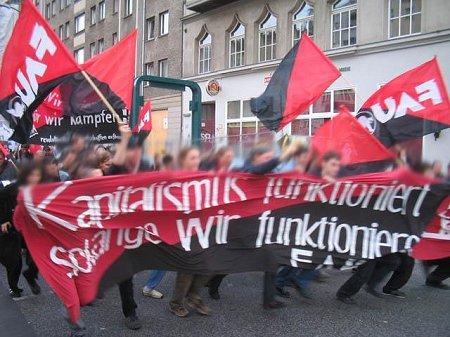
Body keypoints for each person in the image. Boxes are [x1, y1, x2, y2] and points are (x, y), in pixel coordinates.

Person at [105, 123, 150, 330]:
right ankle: (129, 311)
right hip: (112, 231)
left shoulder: (146, 169)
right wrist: (124, 139)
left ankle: (129, 310)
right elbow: (114, 168)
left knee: (125, 271)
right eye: (132, 151)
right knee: (117, 270)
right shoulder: (115, 172)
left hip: (134, 231)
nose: (137, 155)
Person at [169, 146, 212, 318]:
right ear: (182, 160)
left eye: (197, 157)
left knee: (210, 265)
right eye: (192, 158)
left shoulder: (203, 177)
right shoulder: (174, 178)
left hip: (201, 229)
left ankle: (193, 295)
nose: (197, 161)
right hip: (182, 231)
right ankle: (175, 303)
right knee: (187, 269)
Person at [0, 163, 43, 298]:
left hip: (30, 227)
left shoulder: (40, 189)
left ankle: (30, 274)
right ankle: (14, 286)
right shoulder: (12, 189)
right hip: (12, 226)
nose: (36, 178)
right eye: (33, 175)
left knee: (37, 254)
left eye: (38, 176)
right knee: (14, 260)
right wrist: (3, 220)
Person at [142, 154, 174, 300]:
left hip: (166, 226)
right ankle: (149, 287)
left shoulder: (170, 181)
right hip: (157, 227)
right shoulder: (152, 183)